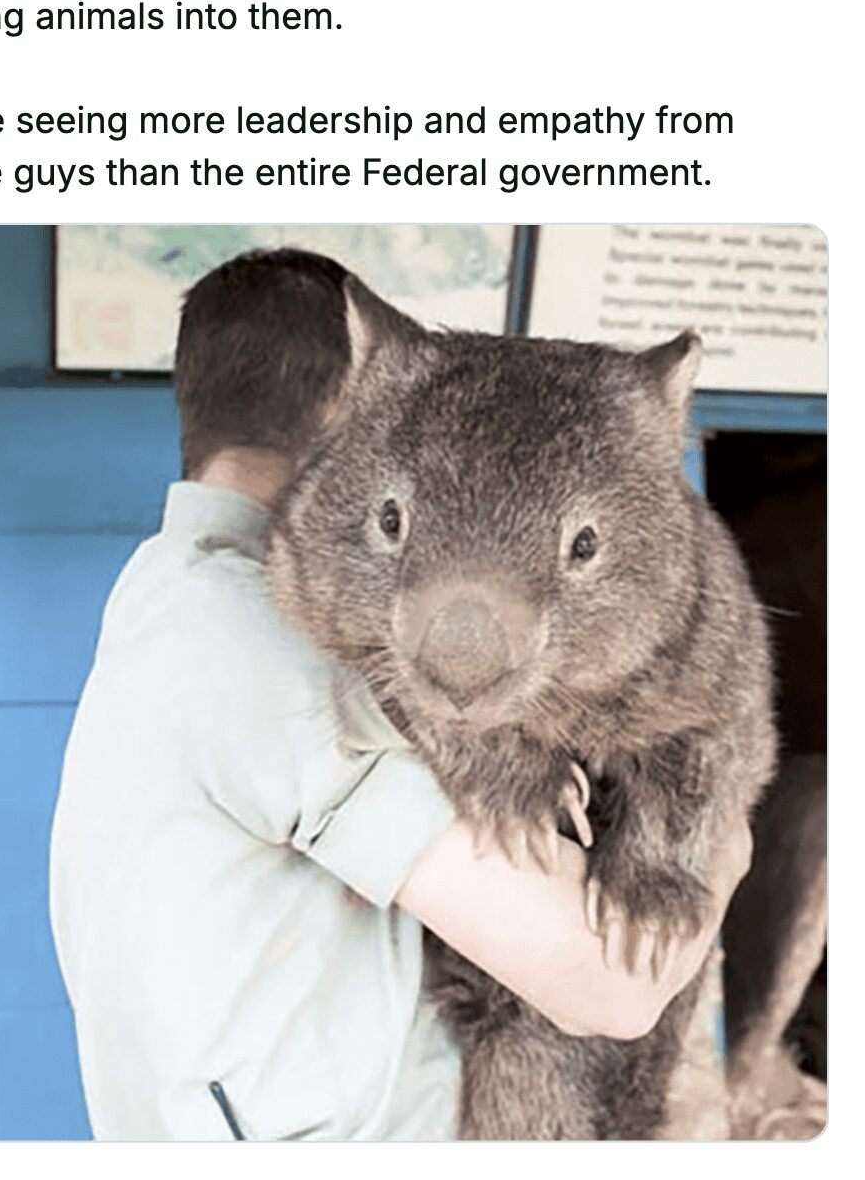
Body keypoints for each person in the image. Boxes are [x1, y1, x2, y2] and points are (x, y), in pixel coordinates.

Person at [49, 247, 752, 1141]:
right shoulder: (256, 638)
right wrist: (724, 844)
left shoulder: (168, 600)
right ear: (357, 414)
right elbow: (603, 984)